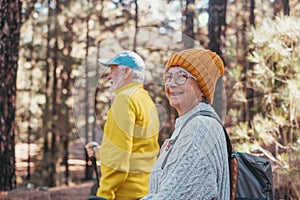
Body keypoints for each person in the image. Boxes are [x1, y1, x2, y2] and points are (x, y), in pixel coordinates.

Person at [141, 49, 230, 199]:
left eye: (182, 76)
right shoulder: (187, 126)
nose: (172, 84)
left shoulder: (201, 128)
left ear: (202, 89)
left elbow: (173, 196)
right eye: (168, 77)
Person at [86, 50, 160, 200]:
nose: (108, 76)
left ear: (126, 71)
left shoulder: (124, 99)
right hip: (144, 191)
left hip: (124, 194)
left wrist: (104, 194)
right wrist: (100, 151)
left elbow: (119, 155)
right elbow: (136, 148)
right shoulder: (145, 100)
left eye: (113, 70)